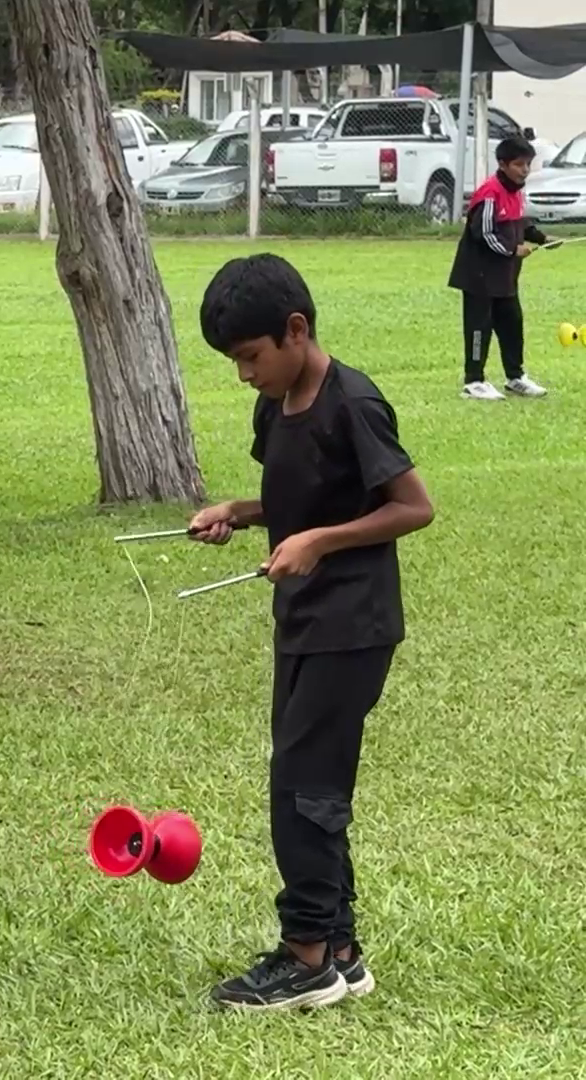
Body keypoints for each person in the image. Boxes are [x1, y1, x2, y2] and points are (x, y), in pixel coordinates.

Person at [190, 253, 435, 1011]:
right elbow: (301, 495)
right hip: (301, 622)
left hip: (352, 624)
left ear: (297, 330)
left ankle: (305, 960)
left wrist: (319, 543)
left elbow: (412, 506)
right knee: (310, 782)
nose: (244, 375)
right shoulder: (277, 405)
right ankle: (341, 948)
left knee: (302, 787)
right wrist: (240, 510)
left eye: (251, 357)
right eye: (234, 362)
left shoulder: (352, 403)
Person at [450, 136, 548, 400]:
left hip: (504, 278)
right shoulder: (490, 193)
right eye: (519, 164)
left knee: (512, 325)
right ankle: (474, 381)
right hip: (479, 277)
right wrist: (512, 250)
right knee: (479, 327)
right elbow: (483, 232)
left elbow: (520, 224)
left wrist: (541, 238)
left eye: (528, 164)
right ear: (503, 165)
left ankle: (515, 377)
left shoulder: (517, 192)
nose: (525, 170)